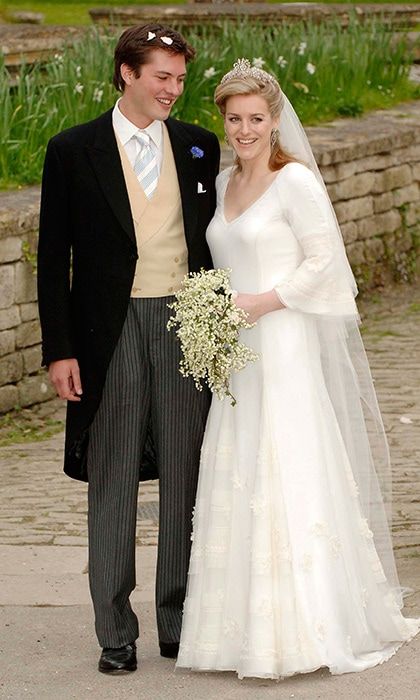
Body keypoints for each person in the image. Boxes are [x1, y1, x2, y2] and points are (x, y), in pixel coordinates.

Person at [176, 59, 419, 679]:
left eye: (256, 118)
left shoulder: (295, 183)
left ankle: (305, 627)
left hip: (280, 344)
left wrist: (262, 302)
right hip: (236, 356)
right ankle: (238, 632)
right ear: (223, 121)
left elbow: (327, 264)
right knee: (239, 469)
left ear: (276, 120)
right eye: (234, 119)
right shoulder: (227, 183)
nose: (245, 129)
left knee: (285, 465)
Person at [37, 23, 220, 674]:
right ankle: (115, 632)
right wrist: (59, 350)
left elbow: (219, 245)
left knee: (186, 476)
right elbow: (51, 256)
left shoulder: (200, 149)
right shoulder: (72, 149)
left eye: (179, 77)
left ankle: (179, 620)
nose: (173, 89)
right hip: (106, 336)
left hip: (185, 328)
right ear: (127, 74)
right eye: (161, 77)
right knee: (112, 479)